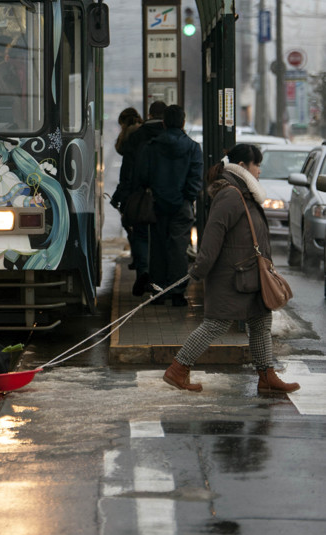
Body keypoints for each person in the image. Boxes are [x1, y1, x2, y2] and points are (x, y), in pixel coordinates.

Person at [163, 143, 301, 395]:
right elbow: (213, 235)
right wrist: (198, 270)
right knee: (215, 324)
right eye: (256, 164)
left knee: (261, 321)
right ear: (242, 167)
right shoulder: (231, 194)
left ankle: (266, 375)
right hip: (232, 277)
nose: (259, 170)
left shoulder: (243, 192)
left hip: (247, 275)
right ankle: (178, 369)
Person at [135, 103, 203, 304]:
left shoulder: (151, 146)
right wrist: (187, 197)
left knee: (157, 248)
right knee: (178, 249)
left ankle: (158, 291)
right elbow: (196, 177)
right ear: (183, 122)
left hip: (156, 204)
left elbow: (142, 175)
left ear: (163, 123)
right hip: (182, 206)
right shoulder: (193, 147)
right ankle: (177, 293)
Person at [111, 101, 167, 296]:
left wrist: (122, 196)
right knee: (163, 238)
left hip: (139, 195)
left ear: (150, 114)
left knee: (140, 235)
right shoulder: (169, 135)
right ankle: (159, 280)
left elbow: (127, 172)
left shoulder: (136, 137)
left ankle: (143, 271)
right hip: (165, 196)